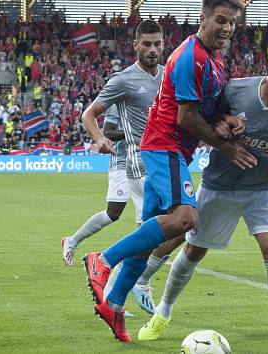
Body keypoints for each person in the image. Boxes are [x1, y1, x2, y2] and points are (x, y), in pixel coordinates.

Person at [82, 0, 255, 343]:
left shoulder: (214, 59)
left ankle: (114, 304)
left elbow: (207, 110)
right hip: (165, 146)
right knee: (187, 218)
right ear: (204, 19)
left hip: (172, 148)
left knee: (151, 236)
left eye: (232, 23)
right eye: (221, 20)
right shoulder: (192, 57)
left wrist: (229, 121)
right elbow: (186, 117)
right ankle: (102, 259)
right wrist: (226, 147)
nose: (227, 28)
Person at [138, 42, 268, 348]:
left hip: (262, 190)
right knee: (194, 251)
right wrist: (220, 126)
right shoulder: (235, 91)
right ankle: (162, 314)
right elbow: (201, 117)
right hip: (218, 185)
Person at [72, 20, 170, 342]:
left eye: (158, 44)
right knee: (174, 226)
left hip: (164, 163)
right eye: (147, 44)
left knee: (162, 233)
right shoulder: (124, 79)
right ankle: (109, 270)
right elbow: (89, 114)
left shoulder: (166, 75)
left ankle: (113, 297)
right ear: (136, 45)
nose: (153, 50)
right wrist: (99, 138)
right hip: (139, 166)